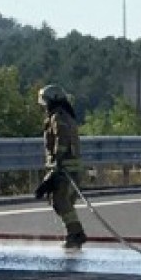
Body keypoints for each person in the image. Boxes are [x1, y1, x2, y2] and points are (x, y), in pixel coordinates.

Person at [35, 84, 88, 249]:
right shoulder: (66, 116)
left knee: (60, 200)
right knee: (63, 202)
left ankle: (76, 233)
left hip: (65, 168)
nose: (44, 107)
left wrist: (57, 162)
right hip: (70, 167)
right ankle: (73, 234)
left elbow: (61, 139)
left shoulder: (57, 117)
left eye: (45, 103)